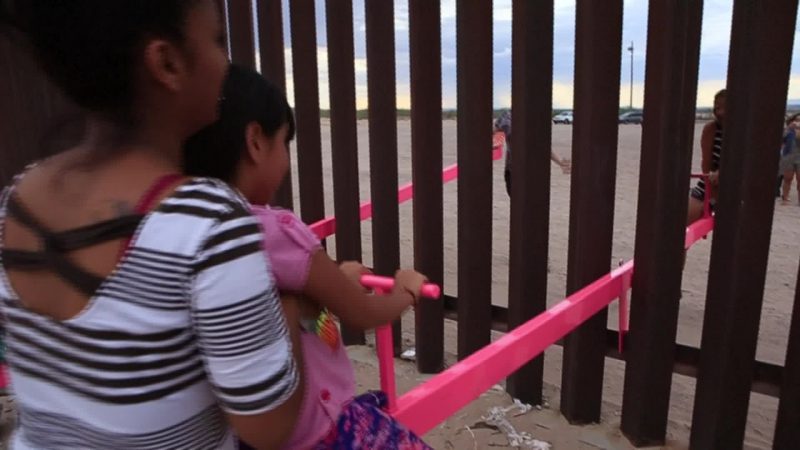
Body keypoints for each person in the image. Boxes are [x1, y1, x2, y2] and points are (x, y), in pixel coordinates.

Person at [0, 2, 303, 449]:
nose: (225, 61)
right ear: (167, 63)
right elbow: (268, 427)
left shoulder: (18, 197)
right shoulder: (209, 223)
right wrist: (290, 305)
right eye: (217, 40)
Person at [184, 65, 433, 450]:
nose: (285, 159)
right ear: (256, 142)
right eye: (284, 142)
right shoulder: (275, 231)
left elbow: (289, 314)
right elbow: (361, 313)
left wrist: (333, 283)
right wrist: (406, 291)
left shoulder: (187, 229)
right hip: (321, 429)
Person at [494, 110, 571, 196]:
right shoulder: (506, 117)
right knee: (517, 200)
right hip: (513, 171)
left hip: (533, 171)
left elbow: (543, 146)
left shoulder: (538, 117)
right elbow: (493, 131)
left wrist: (560, 162)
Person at [687, 89, 726, 225]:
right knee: (685, 218)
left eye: (724, 107)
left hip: (735, 186)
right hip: (710, 183)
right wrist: (712, 196)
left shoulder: (745, 131)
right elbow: (706, 165)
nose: (719, 112)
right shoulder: (711, 129)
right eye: (717, 107)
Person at [779, 113, 800, 205]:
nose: (798, 122)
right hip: (789, 156)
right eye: (796, 120)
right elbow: (781, 139)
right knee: (787, 178)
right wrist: (788, 129)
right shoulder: (788, 130)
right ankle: (785, 197)